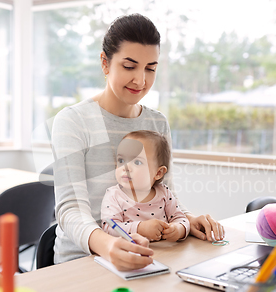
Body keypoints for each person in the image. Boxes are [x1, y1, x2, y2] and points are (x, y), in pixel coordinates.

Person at [52, 13, 224, 271]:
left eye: (150, 68)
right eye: (129, 66)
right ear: (105, 63)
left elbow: (166, 195)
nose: (141, 80)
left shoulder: (157, 123)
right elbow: (70, 210)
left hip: (148, 255)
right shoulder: (72, 121)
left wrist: (187, 220)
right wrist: (108, 245)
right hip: (83, 261)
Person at [101, 130, 190, 242]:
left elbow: (181, 218)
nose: (126, 167)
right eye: (121, 160)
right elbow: (109, 228)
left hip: (165, 253)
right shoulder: (114, 195)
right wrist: (140, 228)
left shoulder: (164, 193)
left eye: (137, 162)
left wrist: (179, 229)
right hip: (132, 254)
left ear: (158, 173)